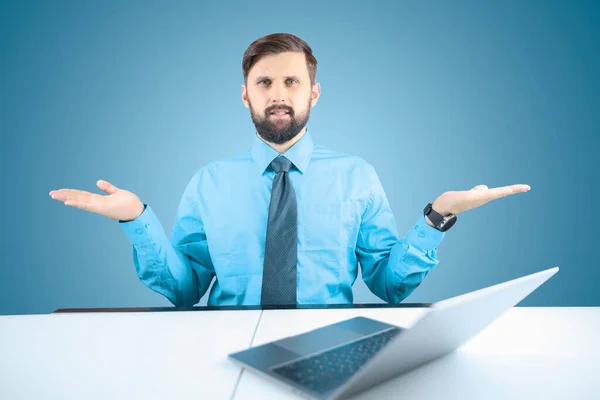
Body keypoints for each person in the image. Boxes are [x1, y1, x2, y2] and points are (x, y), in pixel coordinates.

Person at [49, 33, 530, 307]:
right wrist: (136, 219)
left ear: (312, 93)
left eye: (291, 81)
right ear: (246, 95)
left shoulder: (356, 175)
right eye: (264, 82)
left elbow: (389, 284)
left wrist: (436, 219)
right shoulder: (209, 181)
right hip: (223, 347)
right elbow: (185, 289)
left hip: (331, 346)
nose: (278, 93)